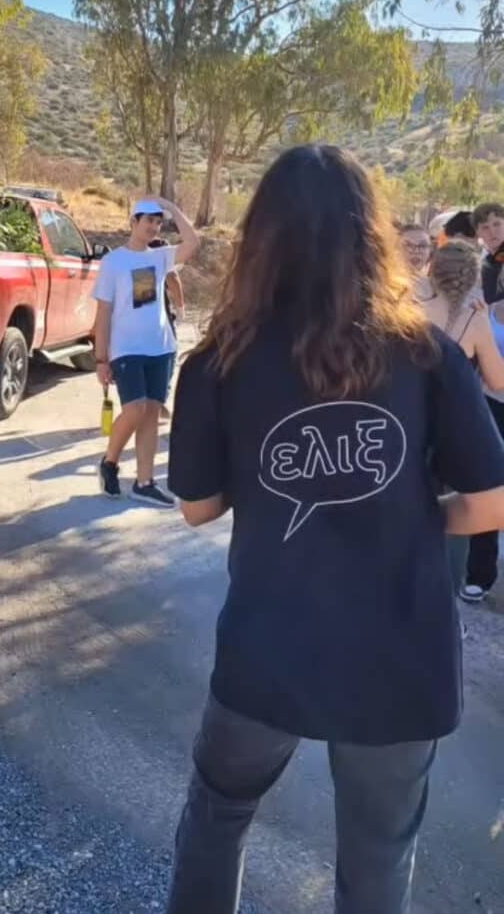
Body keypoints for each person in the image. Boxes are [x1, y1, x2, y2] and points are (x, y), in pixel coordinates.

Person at [165, 145, 504, 914]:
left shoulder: (219, 360)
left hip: (267, 648)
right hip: (400, 658)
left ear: (261, 240)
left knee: (217, 817)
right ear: (371, 236)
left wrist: (273, 483)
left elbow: (197, 506)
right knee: (378, 862)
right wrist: (419, 514)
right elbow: (493, 502)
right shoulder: (427, 356)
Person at [93, 198, 198, 506]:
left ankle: (145, 482)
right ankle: (109, 463)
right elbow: (103, 313)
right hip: (126, 349)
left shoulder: (161, 257)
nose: (154, 226)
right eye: (148, 220)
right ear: (133, 222)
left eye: (158, 221)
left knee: (151, 413)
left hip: (161, 348)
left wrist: (171, 208)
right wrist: (101, 359)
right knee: (135, 410)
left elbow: (193, 242)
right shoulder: (113, 262)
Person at [422, 239, 504, 605]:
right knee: (458, 516)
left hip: (406, 428)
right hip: (454, 435)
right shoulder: (475, 319)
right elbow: (498, 380)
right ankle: (448, 603)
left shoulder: (407, 311)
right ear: (472, 277)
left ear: (432, 270)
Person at [465, 202, 504, 601]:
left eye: (498, 223)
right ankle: (480, 574)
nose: (493, 231)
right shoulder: (482, 276)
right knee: (489, 482)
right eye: (486, 226)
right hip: (490, 400)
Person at [148, 235, 185, 421]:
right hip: (160, 320)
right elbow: (173, 279)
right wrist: (180, 308)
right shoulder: (161, 255)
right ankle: (158, 401)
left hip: (137, 319)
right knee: (169, 355)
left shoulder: (136, 258)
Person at [398, 224, 433, 301]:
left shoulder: (438, 289)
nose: (416, 251)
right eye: (408, 245)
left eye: (422, 246)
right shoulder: (383, 287)